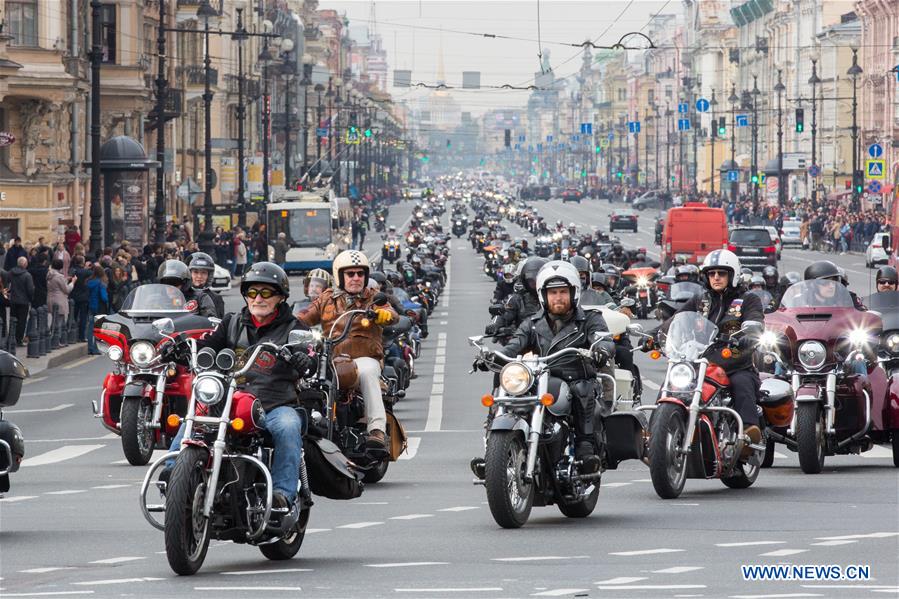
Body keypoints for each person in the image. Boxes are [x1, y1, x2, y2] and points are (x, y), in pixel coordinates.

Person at [162, 263, 315, 513]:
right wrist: (180, 348)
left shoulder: (294, 327)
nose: (258, 298)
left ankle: (281, 495)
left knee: (288, 426)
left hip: (274, 404)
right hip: (231, 401)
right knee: (196, 415)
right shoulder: (232, 323)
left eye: (266, 292)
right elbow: (208, 345)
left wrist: (303, 359)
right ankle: (172, 473)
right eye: (252, 292)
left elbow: (309, 356)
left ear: (280, 297)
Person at [494, 260, 616, 472]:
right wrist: (495, 357)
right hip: (542, 377)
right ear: (544, 295)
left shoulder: (589, 319)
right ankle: (496, 451)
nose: (558, 297)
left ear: (573, 293)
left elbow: (603, 338)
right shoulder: (533, 323)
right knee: (516, 389)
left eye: (562, 292)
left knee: (582, 389)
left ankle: (585, 445)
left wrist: (602, 349)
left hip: (576, 377)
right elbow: (515, 344)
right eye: (552, 293)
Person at [660, 249, 764, 457]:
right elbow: (675, 320)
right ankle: (657, 430)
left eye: (721, 273)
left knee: (742, 383)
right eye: (711, 273)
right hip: (699, 361)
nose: (716, 277)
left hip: (734, 362)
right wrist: (654, 335)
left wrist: (750, 334)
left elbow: (755, 322)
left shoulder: (748, 300)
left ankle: (748, 434)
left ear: (733, 275)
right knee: (672, 381)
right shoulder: (701, 300)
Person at [296, 250, 398, 452]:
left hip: (364, 358)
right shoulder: (326, 298)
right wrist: (288, 321)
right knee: (303, 377)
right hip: (330, 359)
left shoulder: (373, 297)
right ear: (339, 276)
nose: (356, 278)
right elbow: (304, 316)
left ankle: (377, 430)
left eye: (360, 274)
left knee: (368, 372)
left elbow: (391, 313)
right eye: (350, 274)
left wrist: (384, 315)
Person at [486, 256, 547, 337]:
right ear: (524, 280)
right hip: (524, 338)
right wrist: (495, 324)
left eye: (538, 278)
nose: (535, 282)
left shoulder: (554, 296)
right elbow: (505, 314)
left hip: (553, 339)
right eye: (531, 279)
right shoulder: (518, 298)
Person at [5, 256, 34, 345]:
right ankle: (18, 339)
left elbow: (6, 282)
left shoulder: (11, 272)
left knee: (13, 319)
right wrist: (31, 299)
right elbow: (30, 290)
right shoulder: (27, 275)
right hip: (23, 301)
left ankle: (11, 337)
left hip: (13, 300)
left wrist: (8, 292)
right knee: (22, 321)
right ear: (25, 264)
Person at [187, 252, 224, 318]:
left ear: (209, 276)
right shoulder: (182, 295)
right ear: (189, 274)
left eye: (203, 273)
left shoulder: (216, 298)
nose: (199, 276)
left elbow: (219, 322)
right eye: (195, 272)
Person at [86, 265, 109, 355]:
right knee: (98, 328)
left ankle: (90, 348)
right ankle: (96, 348)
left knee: (90, 327)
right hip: (99, 307)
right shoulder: (100, 284)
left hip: (91, 306)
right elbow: (104, 298)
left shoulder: (89, 282)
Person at [47, 258, 74, 332]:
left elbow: (57, 284)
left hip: (50, 298)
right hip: (59, 300)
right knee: (59, 322)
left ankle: (52, 335)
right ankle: (56, 337)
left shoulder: (49, 274)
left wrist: (66, 279)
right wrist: (72, 282)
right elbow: (67, 289)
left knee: (54, 320)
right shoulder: (59, 276)